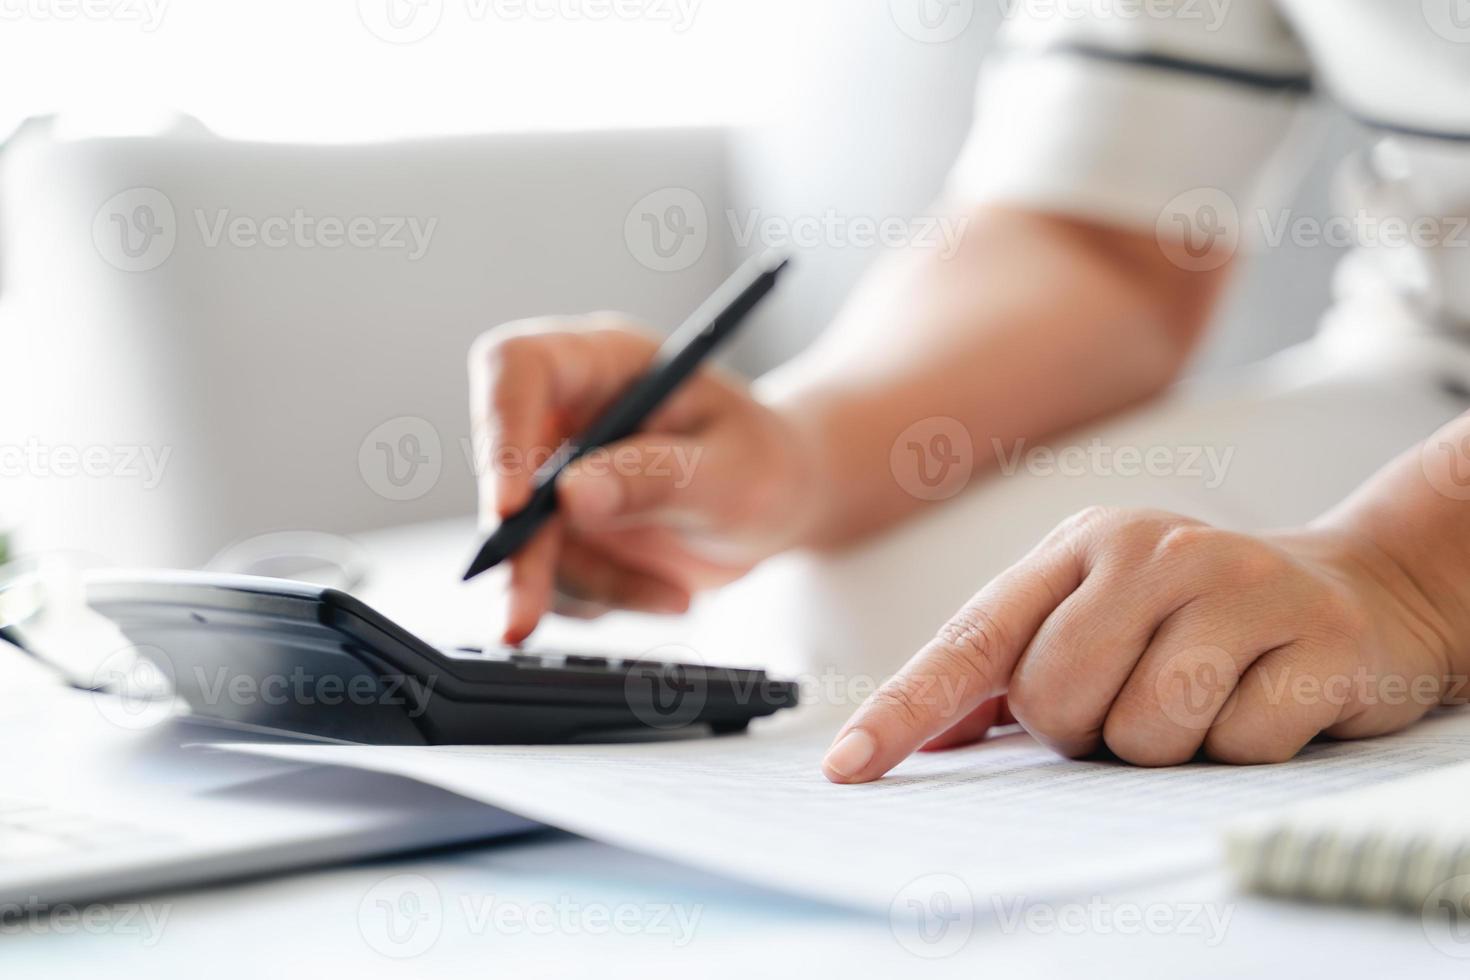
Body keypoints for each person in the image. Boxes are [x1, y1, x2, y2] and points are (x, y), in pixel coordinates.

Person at [466, 1, 1470, 782]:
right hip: (1430, 361)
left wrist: (1418, 577)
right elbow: (1104, 239)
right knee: (840, 622)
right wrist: (808, 448)